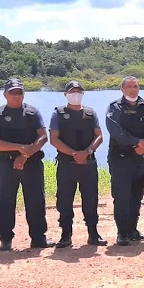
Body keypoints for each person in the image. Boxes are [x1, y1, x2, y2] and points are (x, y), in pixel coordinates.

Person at [0, 78, 54, 251]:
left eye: (20, 92)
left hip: (31, 163)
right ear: (5, 94)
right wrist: (18, 149)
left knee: (36, 201)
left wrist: (25, 155)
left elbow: (43, 137)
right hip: (6, 164)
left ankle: (39, 238)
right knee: (4, 201)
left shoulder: (32, 113)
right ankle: (5, 239)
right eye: (12, 92)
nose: (16, 96)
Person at [48, 80, 107, 248]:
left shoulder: (90, 113)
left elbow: (99, 136)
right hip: (67, 164)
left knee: (91, 199)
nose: (76, 94)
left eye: (79, 91)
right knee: (65, 200)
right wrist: (74, 154)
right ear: (65, 94)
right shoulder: (58, 113)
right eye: (72, 91)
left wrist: (87, 152)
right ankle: (66, 235)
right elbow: (54, 139)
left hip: (88, 163)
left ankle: (93, 234)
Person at [105, 76, 144, 246]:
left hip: (140, 159)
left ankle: (133, 230)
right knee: (121, 196)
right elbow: (115, 130)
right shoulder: (115, 107)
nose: (133, 89)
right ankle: (122, 233)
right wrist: (137, 142)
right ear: (122, 89)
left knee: (137, 195)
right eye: (129, 86)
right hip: (120, 159)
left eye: (135, 86)